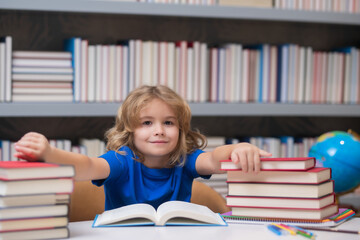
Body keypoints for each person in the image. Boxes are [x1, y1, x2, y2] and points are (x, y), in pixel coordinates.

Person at [14, 85, 271, 211]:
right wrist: (49, 154)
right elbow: (88, 166)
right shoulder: (122, 161)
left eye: (168, 123)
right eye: (147, 123)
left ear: (180, 129)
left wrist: (239, 148)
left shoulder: (185, 160)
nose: (158, 130)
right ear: (130, 130)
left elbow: (214, 159)